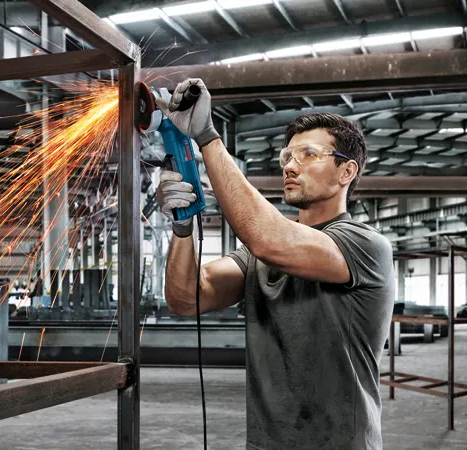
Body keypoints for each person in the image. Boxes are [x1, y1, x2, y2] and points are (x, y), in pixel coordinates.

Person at [156, 79, 395, 450]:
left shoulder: (365, 246)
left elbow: (269, 238)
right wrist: (182, 226)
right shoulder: (258, 258)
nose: (290, 166)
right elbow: (186, 298)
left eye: (308, 155)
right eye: (287, 157)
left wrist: (206, 137)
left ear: (346, 172)